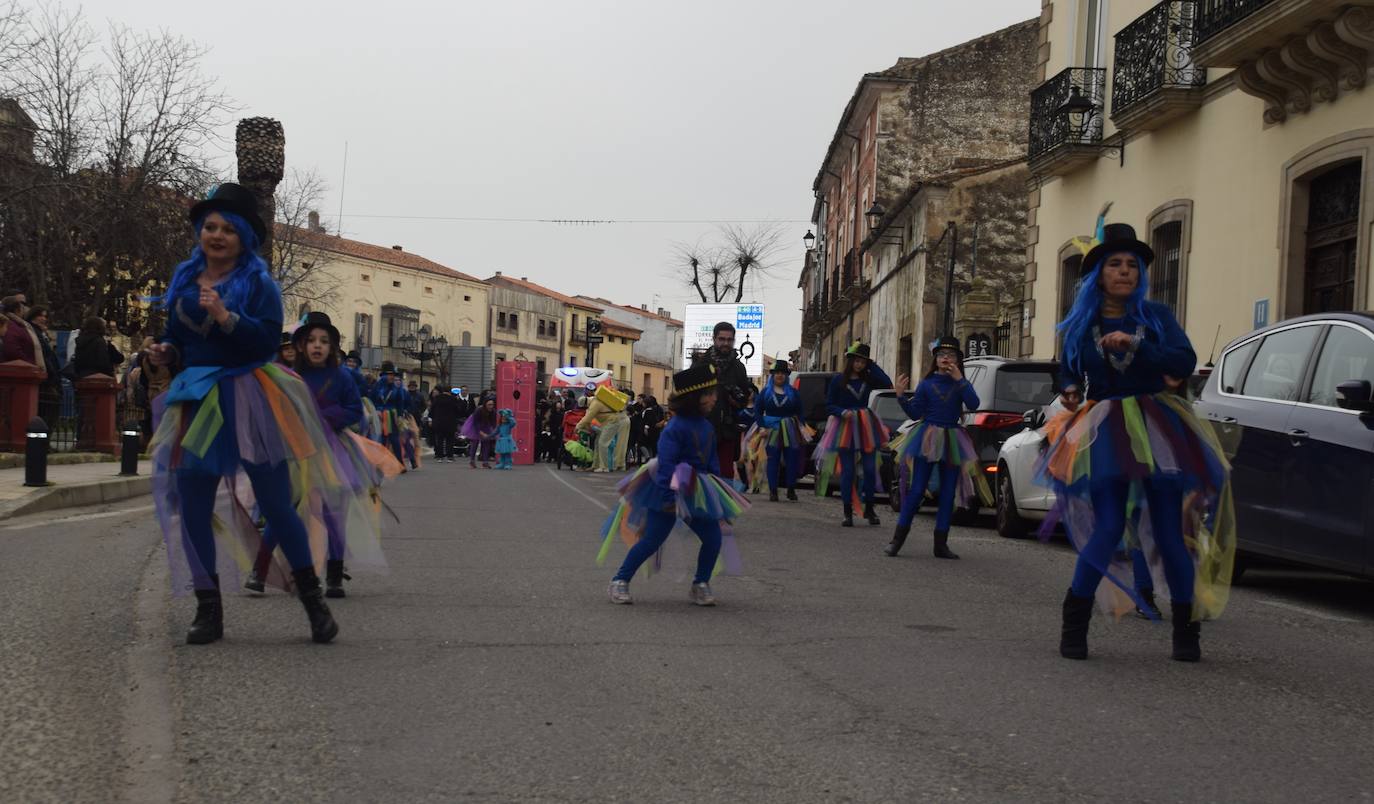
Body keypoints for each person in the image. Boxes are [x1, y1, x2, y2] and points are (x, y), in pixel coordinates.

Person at [143, 182, 341, 644]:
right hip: (196, 398)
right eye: (209, 226)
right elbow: (179, 336)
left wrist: (228, 317)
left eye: (227, 229)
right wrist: (165, 352)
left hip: (249, 396)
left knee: (275, 503)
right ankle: (207, 609)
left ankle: (313, 602)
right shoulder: (184, 277)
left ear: (244, 238)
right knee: (192, 502)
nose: (215, 235)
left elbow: (267, 341)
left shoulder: (260, 284)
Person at [1042, 220, 1235, 662]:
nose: (1125, 271)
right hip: (1106, 429)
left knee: (1169, 532)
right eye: (1115, 264)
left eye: (1132, 264)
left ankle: (1186, 633)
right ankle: (1075, 624)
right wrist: (1070, 386)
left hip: (1159, 427)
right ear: (1099, 274)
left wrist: (1138, 344)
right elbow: (1069, 365)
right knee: (1109, 527)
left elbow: (1184, 359)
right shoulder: (1082, 324)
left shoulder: (1157, 317)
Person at [246, 312, 392, 598]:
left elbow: (353, 409)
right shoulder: (288, 375)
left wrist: (323, 417)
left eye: (324, 341)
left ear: (333, 347)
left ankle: (334, 576)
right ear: (300, 345)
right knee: (282, 511)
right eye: (311, 340)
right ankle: (260, 571)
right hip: (294, 451)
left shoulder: (342, 376)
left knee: (333, 513)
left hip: (332, 452)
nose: (317, 346)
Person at [599, 362, 751, 606]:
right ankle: (620, 580)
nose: (714, 398)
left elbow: (711, 464)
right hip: (668, 488)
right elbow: (667, 465)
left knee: (713, 539)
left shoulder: (707, 427)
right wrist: (669, 499)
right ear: (694, 398)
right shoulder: (675, 428)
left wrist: (720, 497)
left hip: (698, 490)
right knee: (652, 540)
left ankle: (700, 583)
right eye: (709, 394)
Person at [885, 337, 989, 560]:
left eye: (951, 356)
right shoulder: (926, 384)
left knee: (948, 493)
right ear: (936, 359)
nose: (946, 359)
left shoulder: (960, 383)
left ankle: (940, 545)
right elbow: (915, 414)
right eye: (941, 355)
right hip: (927, 438)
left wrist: (960, 379)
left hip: (952, 439)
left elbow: (974, 404)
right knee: (917, 490)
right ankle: (897, 540)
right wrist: (901, 397)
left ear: (958, 360)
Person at [815, 342, 892, 527]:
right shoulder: (838, 380)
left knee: (870, 469)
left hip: (866, 425)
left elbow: (887, 382)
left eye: (863, 362)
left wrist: (872, 364)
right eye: (856, 361)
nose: (859, 365)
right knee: (848, 471)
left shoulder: (868, 379)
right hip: (845, 427)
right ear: (850, 361)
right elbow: (829, 404)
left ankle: (870, 508)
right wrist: (842, 412)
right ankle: (847, 511)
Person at [691, 322, 751, 480]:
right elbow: (689, 396)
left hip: (727, 429)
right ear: (714, 339)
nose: (725, 343)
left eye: (729, 340)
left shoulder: (738, 367)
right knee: (701, 474)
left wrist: (736, 400)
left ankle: (722, 505)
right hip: (703, 427)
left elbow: (744, 398)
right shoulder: (701, 364)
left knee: (725, 475)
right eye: (721, 339)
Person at [747, 359, 811, 503]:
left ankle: (791, 489)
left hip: (790, 429)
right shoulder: (765, 392)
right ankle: (773, 491)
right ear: (773, 375)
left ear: (786, 376)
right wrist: (762, 426)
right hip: (771, 430)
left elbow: (800, 411)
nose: (780, 376)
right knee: (773, 460)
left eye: (782, 373)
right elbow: (757, 411)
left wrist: (802, 428)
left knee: (792, 459)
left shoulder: (793, 392)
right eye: (777, 373)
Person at [577, 386, 630, 473]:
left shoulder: (594, 404)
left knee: (602, 443)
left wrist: (578, 427)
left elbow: (587, 418)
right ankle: (596, 465)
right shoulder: (596, 400)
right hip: (611, 422)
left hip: (612, 422)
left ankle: (604, 467)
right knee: (598, 442)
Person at [25, 306, 61, 428]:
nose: (43, 319)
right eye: (41, 315)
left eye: (45, 316)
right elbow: (45, 355)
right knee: (48, 407)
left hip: (49, 375)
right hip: (46, 376)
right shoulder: (34, 332)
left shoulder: (42, 332)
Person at [370, 363, 409, 465]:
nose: (392, 377)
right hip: (379, 416)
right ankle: (380, 463)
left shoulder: (396, 388)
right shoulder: (377, 387)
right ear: (384, 375)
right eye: (389, 374)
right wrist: (376, 410)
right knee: (381, 439)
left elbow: (400, 402)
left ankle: (400, 463)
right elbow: (371, 400)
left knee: (394, 440)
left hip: (392, 416)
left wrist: (400, 416)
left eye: (393, 375)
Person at [462, 396, 499, 468]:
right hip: (476, 425)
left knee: (486, 443)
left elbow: (493, 423)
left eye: (492, 405)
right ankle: (472, 460)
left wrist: (495, 432)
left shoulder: (493, 412)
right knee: (475, 442)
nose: (491, 406)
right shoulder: (479, 410)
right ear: (485, 404)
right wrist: (480, 432)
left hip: (486, 425)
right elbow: (475, 423)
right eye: (489, 405)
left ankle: (485, 462)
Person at [429, 387, 462, 462]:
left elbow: (432, 410)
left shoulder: (437, 398)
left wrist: (432, 419)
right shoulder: (453, 399)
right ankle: (449, 456)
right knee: (450, 440)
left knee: (439, 440)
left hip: (439, 422)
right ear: (450, 391)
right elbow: (458, 410)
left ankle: (439, 456)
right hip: (450, 422)